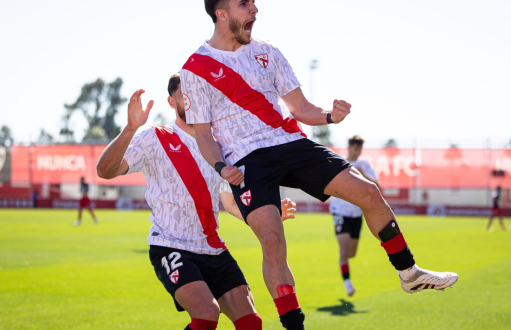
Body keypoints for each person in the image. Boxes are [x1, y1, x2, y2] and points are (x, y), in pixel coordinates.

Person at [181, 1, 458, 329]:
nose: (255, 8)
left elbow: (300, 108)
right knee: (272, 240)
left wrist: (329, 115)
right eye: (245, 3)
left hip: (291, 143)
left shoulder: (268, 52)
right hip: (245, 159)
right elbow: (203, 133)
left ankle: (409, 273)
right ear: (221, 12)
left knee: (368, 192)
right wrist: (220, 167)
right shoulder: (195, 67)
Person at [96, 74, 297, 330]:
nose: (192, 101)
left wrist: (268, 213)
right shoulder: (154, 137)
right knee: (206, 314)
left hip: (213, 248)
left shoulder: (218, 147)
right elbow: (105, 171)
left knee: (251, 323)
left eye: (198, 95)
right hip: (171, 245)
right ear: (172, 101)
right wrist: (130, 128)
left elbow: (231, 203)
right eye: (184, 95)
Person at [329, 136, 380, 297]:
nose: (357, 152)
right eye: (355, 148)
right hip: (340, 212)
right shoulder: (340, 162)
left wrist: (363, 174)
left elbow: (376, 186)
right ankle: (348, 284)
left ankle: (345, 267)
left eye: (360, 149)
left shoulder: (364, 165)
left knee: (352, 253)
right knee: (344, 251)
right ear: (349, 147)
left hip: (357, 213)